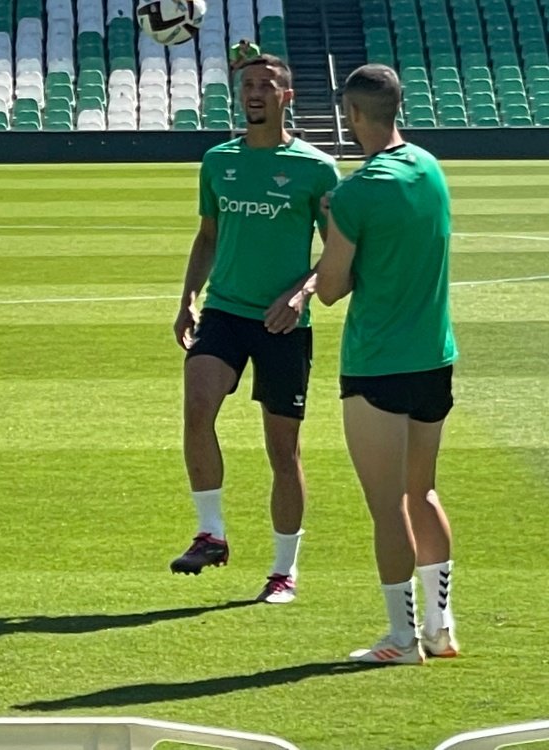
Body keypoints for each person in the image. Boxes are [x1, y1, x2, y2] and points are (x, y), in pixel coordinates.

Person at [170, 55, 339, 604]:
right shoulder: (218, 161)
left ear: (287, 96)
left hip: (283, 322)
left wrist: (301, 293)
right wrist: (187, 300)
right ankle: (210, 534)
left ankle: (284, 570)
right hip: (224, 311)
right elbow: (208, 236)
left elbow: (339, 252)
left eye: (267, 85)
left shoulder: (316, 168)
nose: (255, 93)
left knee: (282, 450)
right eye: (248, 85)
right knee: (197, 409)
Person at [317, 64, 459, 664]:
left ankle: (401, 638)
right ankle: (440, 626)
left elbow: (329, 287)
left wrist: (330, 217)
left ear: (352, 115)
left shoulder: (357, 191)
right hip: (433, 356)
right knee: (422, 492)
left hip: (378, 364)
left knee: (387, 506)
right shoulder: (430, 167)